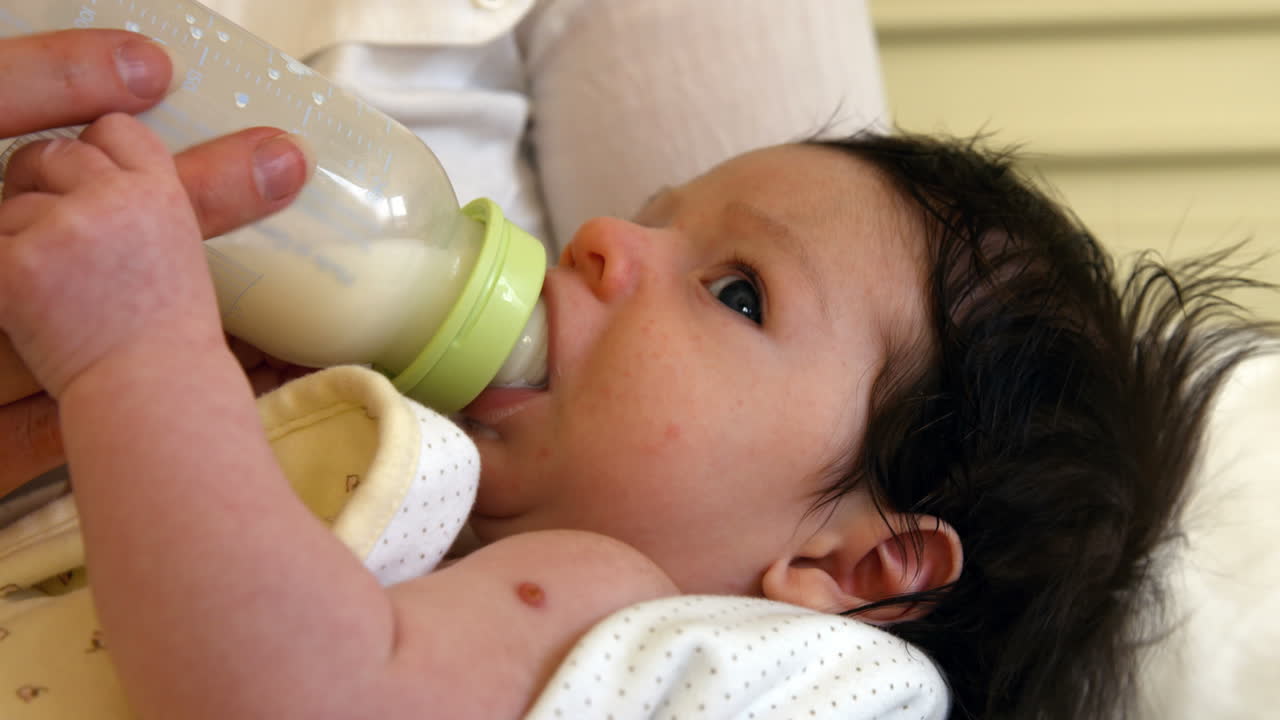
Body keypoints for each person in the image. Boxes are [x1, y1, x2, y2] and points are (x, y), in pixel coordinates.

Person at [1, 24, 1274, 720]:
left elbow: (290, 693)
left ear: (848, 564)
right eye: (655, 214)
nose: (605, 238)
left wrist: (138, 354)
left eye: (734, 291)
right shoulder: (501, 562)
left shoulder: (624, 608)